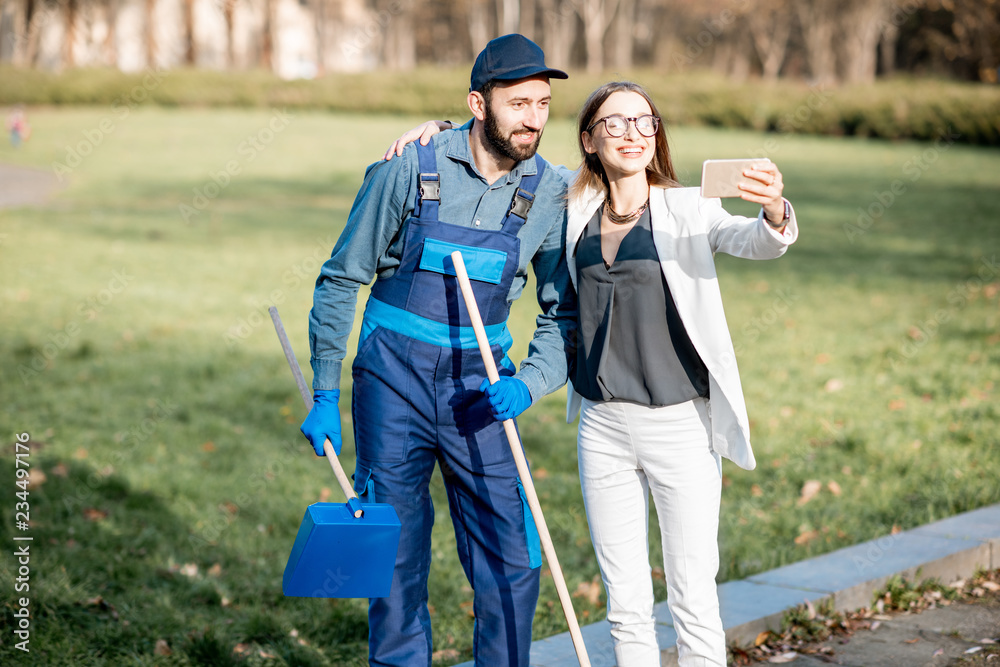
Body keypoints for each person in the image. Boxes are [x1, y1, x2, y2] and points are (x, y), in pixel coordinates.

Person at [388, 80, 798, 666]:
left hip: (679, 426)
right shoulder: (571, 205)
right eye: (615, 123)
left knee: (692, 596)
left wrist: (775, 210)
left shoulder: (686, 207)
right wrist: (433, 133)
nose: (631, 133)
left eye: (644, 122)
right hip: (602, 428)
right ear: (588, 139)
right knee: (624, 601)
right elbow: (494, 148)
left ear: (656, 136)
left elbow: (756, 239)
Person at [300, 34, 577, 666]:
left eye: (542, 103)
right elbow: (343, 276)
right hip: (391, 381)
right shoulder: (409, 165)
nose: (533, 118)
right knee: (392, 551)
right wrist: (323, 390)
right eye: (518, 103)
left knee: (513, 550)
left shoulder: (554, 193)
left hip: (482, 390)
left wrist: (530, 382)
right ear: (479, 105)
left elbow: (566, 317)